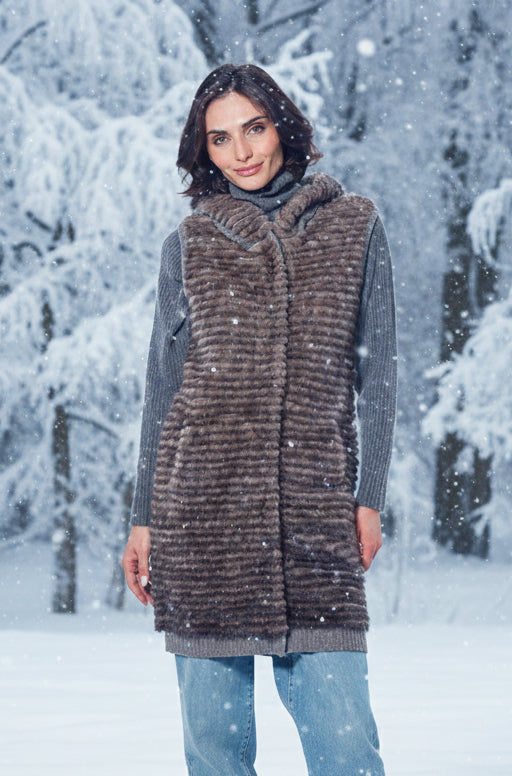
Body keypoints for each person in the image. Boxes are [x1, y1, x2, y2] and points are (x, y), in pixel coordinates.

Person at [122, 63, 396, 776]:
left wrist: (368, 499)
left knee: (346, 750)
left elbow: (380, 375)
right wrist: (143, 516)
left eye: (254, 128)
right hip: (202, 522)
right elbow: (163, 387)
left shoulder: (354, 225)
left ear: (283, 127)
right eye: (220, 138)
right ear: (202, 150)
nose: (241, 152)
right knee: (216, 758)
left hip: (315, 517)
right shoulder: (189, 244)